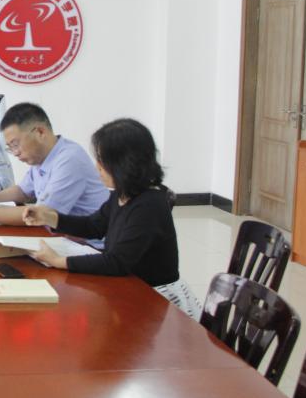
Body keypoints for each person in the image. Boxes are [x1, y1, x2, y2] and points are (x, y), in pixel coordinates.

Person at [22, 118, 201, 318]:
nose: (97, 167)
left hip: (156, 299)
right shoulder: (122, 194)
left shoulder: (149, 204)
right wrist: (50, 218)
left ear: (125, 164)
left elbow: (117, 262)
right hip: (130, 286)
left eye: (102, 161)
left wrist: (58, 260)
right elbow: (94, 226)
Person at [0, 102, 108, 226]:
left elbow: (42, 215)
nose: (15, 153)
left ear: (40, 132)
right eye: (10, 148)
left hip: (89, 245)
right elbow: (23, 191)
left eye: (15, 144)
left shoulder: (69, 159)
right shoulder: (41, 158)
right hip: (63, 237)